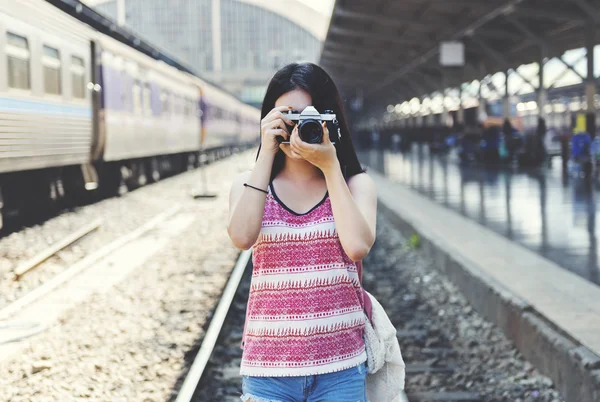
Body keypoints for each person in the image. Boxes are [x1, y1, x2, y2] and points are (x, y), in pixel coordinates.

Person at [227, 62, 377, 402]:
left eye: (310, 117)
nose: (299, 127)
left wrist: (329, 165)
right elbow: (241, 237)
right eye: (288, 116)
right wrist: (266, 153)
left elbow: (356, 246)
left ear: (331, 122)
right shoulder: (248, 185)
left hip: (340, 369)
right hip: (268, 372)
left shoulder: (356, 185)